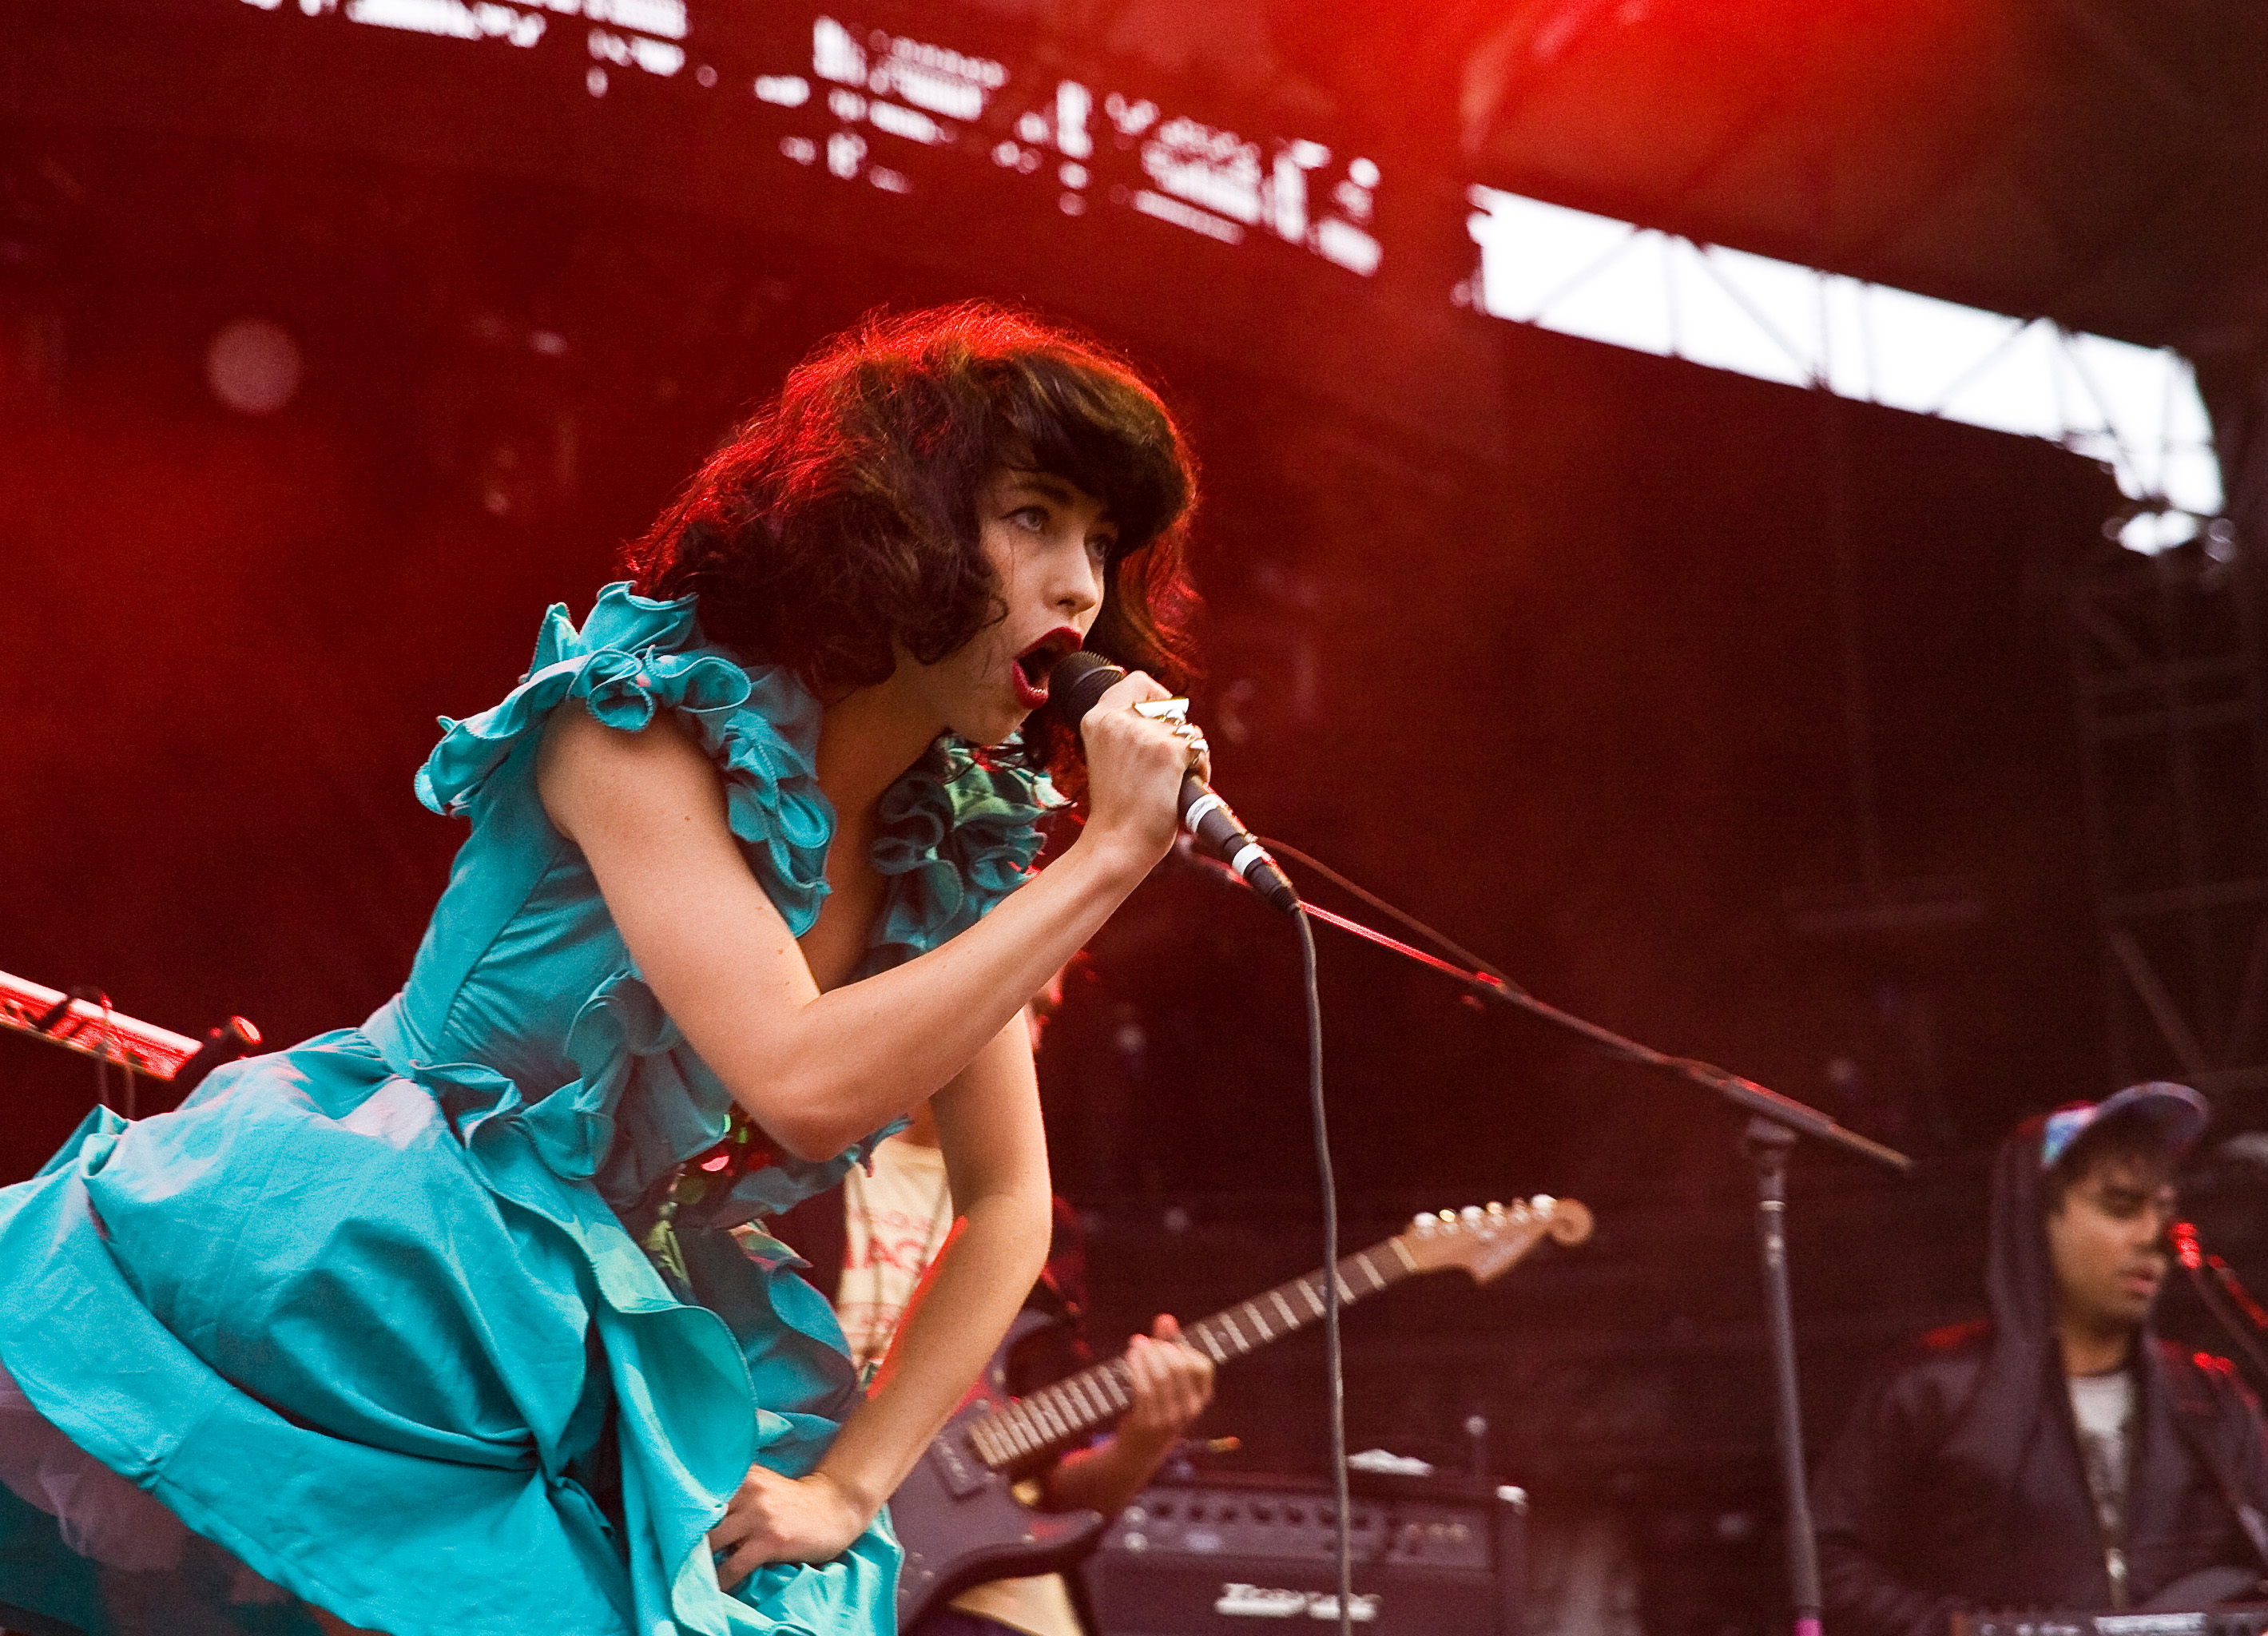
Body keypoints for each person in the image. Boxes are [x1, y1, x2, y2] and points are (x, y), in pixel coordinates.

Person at [0, 303, 1210, 1636]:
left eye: (1102, 542)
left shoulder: (948, 847)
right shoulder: (632, 725)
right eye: (1033, 517)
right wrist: (1101, 865)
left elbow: (1007, 1199)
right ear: (898, 519)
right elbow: (798, 1078)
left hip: (615, 1313)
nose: (1081, 587)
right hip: (385, 1249)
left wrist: (852, 1485)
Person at [769, 987, 1216, 1636]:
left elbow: (1054, 1492)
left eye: (1046, 1014)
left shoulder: (1044, 1229)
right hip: (796, 1535)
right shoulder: (792, 1163)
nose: (1031, 1038)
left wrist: (1142, 1443)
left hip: (977, 1594)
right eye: (1019, 1002)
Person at [1812, 1082, 2268, 1634]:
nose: (2154, 1236)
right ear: (2037, 1218)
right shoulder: (1928, 1390)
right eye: (2121, 1206)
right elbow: (1825, 1560)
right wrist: (1946, 1627)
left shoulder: (2209, 1395)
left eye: (2163, 1211)